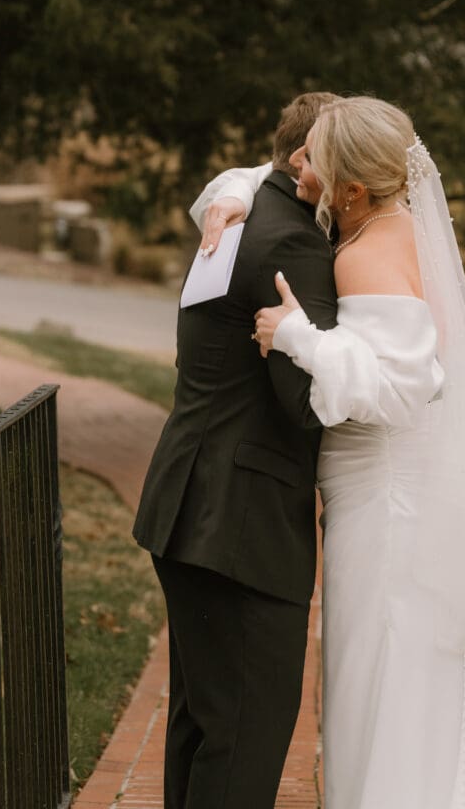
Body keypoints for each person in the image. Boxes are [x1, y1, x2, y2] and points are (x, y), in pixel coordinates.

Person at [194, 96, 465, 809]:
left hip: (387, 513)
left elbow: (402, 387)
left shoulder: (370, 251)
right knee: (378, 692)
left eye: (314, 159)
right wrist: (231, 192)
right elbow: (264, 171)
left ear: (351, 189)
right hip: (378, 503)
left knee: (380, 693)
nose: (297, 166)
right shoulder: (378, 219)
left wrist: (297, 337)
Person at [132, 91, 341, 809]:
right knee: (243, 741)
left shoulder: (254, 211)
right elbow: (305, 404)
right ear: (302, 161)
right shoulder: (293, 244)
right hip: (241, 527)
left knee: (203, 728)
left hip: (190, 503)